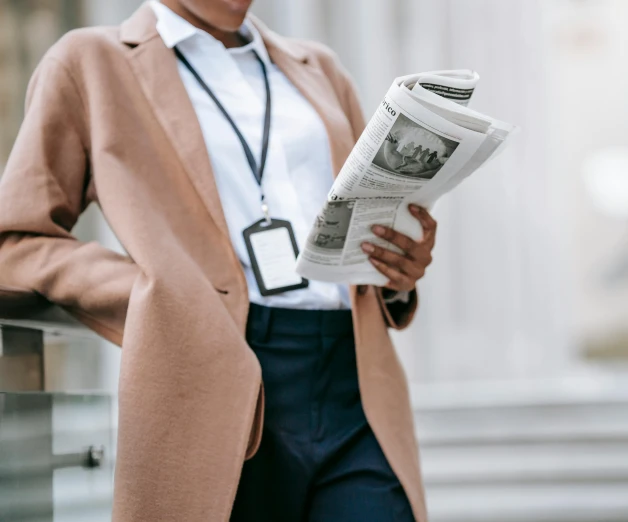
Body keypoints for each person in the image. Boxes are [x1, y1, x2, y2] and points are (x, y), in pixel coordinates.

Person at [0, 1, 436, 521]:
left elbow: (361, 226)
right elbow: (16, 243)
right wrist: (150, 289)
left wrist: (397, 273)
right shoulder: (90, 62)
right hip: (211, 370)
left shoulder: (318, 68)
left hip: (355, 379)